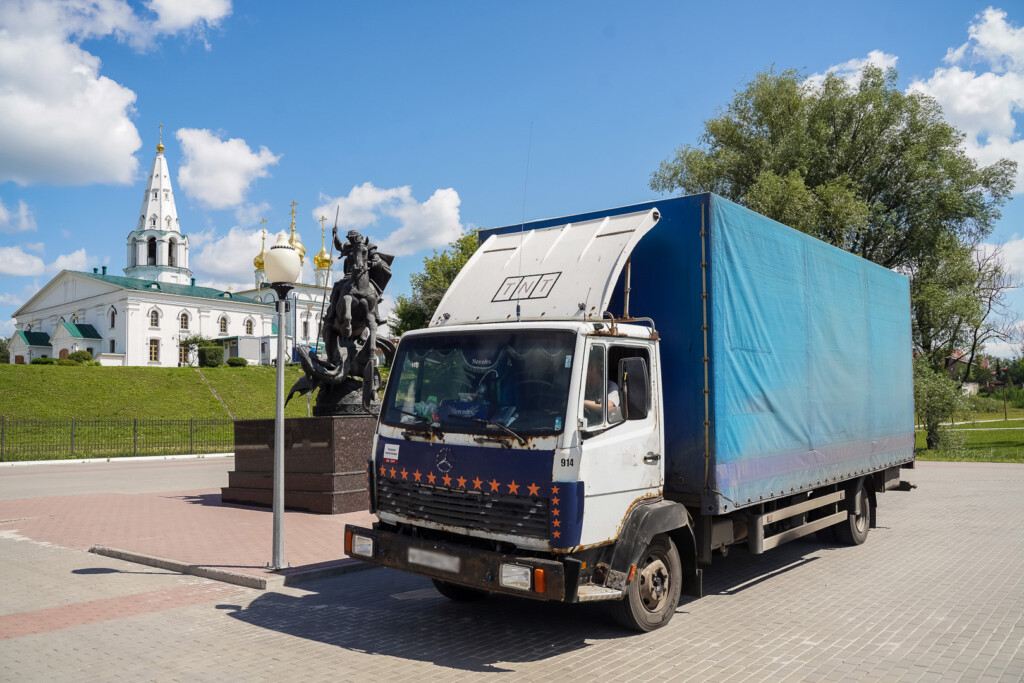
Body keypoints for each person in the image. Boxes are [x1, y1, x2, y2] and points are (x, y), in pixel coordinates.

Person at [583, 357, 619, 424]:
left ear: (595, 370)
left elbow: (608, 406)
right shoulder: (583, 387)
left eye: (588, 368)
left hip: (606, 425)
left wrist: (581, 402)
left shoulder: (610, 386)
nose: (583, 372)